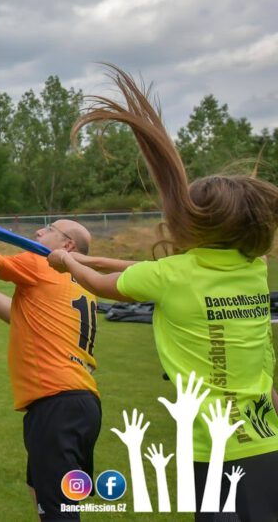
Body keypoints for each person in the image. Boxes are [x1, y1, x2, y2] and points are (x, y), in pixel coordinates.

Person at [47, 66, 278, 522]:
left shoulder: (174, 276)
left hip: (213, 451)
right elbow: (155, 272)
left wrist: (69, 262)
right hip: (267, 441)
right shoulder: (253, 270)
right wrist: (94, 259)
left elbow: (103, 286)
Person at [0, 218, 101, 520]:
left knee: (59, 512)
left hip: (55, 404)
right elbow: (18, 315)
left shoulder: (42, 264)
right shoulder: (80, 282)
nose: (38, 232)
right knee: (41, 491)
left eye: (48, 229)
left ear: (67, 245)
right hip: (81, 404)